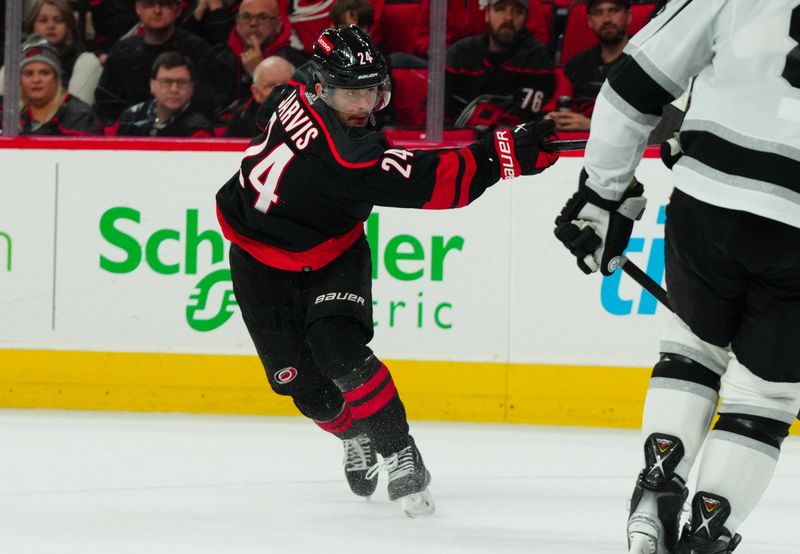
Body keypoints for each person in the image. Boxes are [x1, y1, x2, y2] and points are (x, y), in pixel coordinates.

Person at [216, 25, 558, 516]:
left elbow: (293, 101)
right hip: (258, 259)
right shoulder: (347, 155)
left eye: (370, 90)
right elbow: (433, 181)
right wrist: (507, 155)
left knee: (338, 349)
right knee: (297, 382)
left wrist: (505, 152)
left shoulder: (296, 86)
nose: (361, 105)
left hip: (334, 251)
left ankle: (399, 449)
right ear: (321, 87)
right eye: (349, 92)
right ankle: (353, 433)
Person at [552, 1, 800, 553]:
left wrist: (602, 196)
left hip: (711, 202)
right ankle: (708, 534)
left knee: (693, 352)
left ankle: (654, 493)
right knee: (765, 397)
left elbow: (631, 87)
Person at [444, 0, 554, 131]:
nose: (508, 18)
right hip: (458, 143)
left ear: (526, 19)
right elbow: (438, 113)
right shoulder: (460, 53)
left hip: (512, 144)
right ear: (487, 14)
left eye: (518, 12)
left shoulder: (536, 57)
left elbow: (525, 119)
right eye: (500, 9)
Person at [94, 0, 210, 123]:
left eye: (165, 4)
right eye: (149, 4)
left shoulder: (197, 49)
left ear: (178, 10)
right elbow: (105, 104)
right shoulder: (121, 52)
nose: (157, 11)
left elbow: (207, 103)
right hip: (130, 132)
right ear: (138, 8)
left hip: (185, 131)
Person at [199, 0, 306, 118]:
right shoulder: (215, 57)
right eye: (246, 17)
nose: (253, 23)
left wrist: (257, 72)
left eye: (263, 17)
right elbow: (202, 108)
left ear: (277, 25)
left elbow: (294, 114)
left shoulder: (297, 63)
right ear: (237, 23)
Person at [545, 0, 631, 132]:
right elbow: (557, 105)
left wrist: (593, 125)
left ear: (628, 16)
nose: (607, 19)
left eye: (613, 10)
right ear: (590, 21)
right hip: (577, 144)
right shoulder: (575, 66)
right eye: (598, 12)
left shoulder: (648, 61)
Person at [17, 34, 103, 136]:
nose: (36, 80)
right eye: (29, 74)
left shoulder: (81, 119)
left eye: (44, 73)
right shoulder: (11, 118)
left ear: (57, 78)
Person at [116, 52, 214, 137]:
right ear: (152, 85)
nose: (174, 90)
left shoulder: (199, 130)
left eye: (182, 82)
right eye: (166, 82)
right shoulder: (131, 117)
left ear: (192, 87)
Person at [224, 55, 295, 138]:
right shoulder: (241, 119)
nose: (281, 92)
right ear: (256, 92)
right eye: (271, 86)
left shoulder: (311, 115)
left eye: (286, 85)